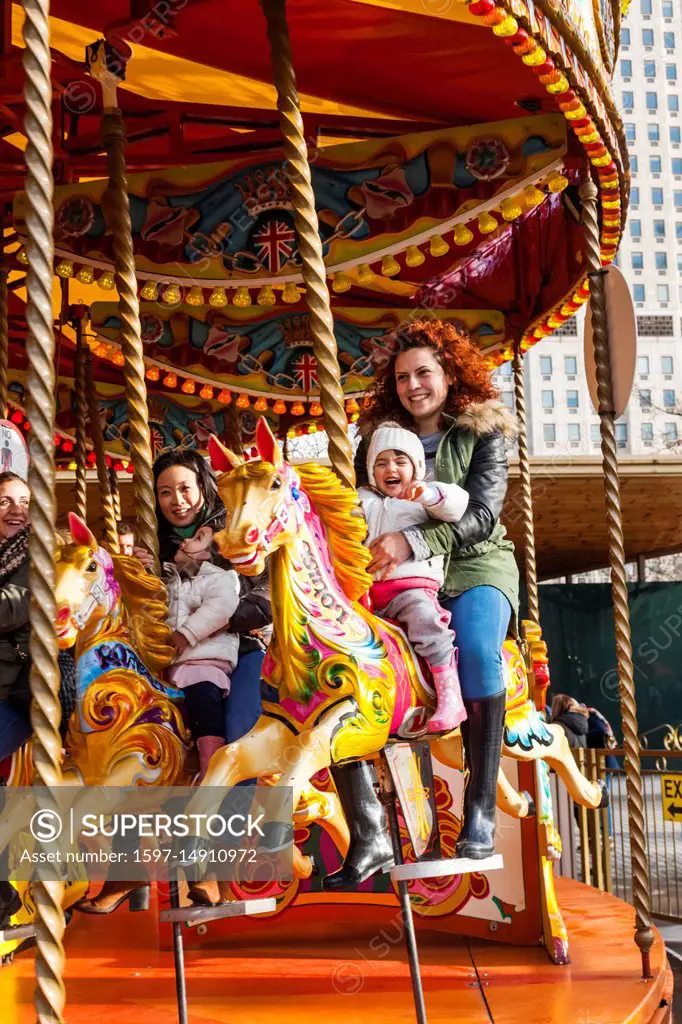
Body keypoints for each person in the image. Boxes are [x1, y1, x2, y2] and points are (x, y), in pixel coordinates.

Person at [331, 317, 518, 884]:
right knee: (336, 663)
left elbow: (482, 516)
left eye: (425, 373)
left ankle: (479, 810)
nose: (414, 385)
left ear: (448, 374)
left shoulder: (480, 433)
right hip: (392, 575)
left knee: (478, 654)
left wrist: (411, 540)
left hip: (472, 568)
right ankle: (370, 831)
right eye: (403, 376)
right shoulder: (377, 442)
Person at [79, 449, 270, 913]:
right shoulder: (156, 548)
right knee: (135, 742)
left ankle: (211, 869)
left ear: (203, 487)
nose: (176, 501)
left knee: (232, 738)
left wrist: (217, 625)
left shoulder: (235, 536)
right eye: (165, 492)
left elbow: (263, 598)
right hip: (168, 661)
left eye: (185, 488)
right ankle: (126, 868)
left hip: (234, 653)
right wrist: (137, 575)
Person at [358, 421, 469, 732]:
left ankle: (450, 694)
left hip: (411, 588)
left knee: (426, 623)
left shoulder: (421, 499)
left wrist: (430, 494)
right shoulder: (364, 499)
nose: (390, 468)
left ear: (416, 466)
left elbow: (457, 506)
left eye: (399, 460)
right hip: (369, 591)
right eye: (381, 463)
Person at [164, 525, 240, 779]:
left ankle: (212, 772)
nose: (184, 542)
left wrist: (187, 633)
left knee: (205, 706)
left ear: (209, 553)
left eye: (197, 539)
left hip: (204, 663)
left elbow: (223, 606)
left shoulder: (220, 578)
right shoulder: (173, 581)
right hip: (173, 666)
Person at [0, 471, 31, 930]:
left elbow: (14, 606)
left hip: (19, 688)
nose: (17, 509)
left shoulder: (37, 554)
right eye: (6, 500)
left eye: (23, 500)